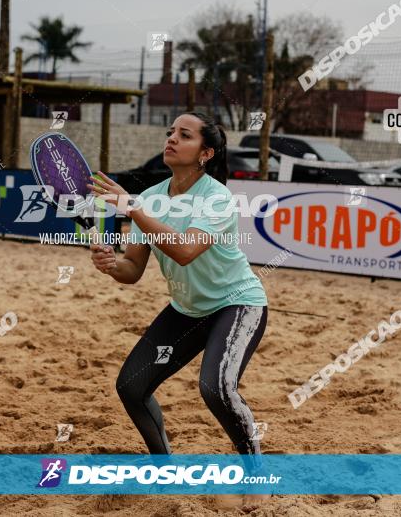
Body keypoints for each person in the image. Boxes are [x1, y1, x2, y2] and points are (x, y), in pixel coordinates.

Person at [87, 112, 269, 504]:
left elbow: (185, 250)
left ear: (205, 153)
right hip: (187, 310)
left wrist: (132, 209)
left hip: (236, 304)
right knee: (132, 387)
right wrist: (110, 264)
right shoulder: (151, 198)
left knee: (216, 388)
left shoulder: (217, 197)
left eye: (183, 135)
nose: (171, 138)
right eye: (170, 132)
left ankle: (255, 476)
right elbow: (133, 269)